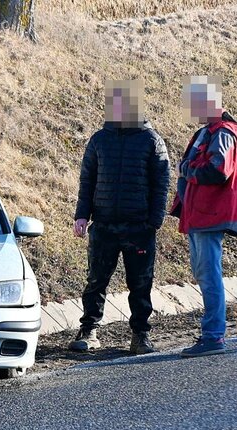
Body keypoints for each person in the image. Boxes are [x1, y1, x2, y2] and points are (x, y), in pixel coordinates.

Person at [70, 79, 170, 354]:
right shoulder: (99, 140)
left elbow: (161, 184)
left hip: (139, 227)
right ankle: (89, 330)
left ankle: (140, 335)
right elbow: (87, 180)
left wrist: (154, 222)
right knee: (96, 280)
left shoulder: (152, 141)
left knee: (140, 284)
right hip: (103, 225)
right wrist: (82, 215)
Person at [170, 75, 237, 358]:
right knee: (204, 273)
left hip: (209, 214)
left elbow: (218, 170)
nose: (191, 108)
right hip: (199, 214)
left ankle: (213, 336)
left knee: (209, 274)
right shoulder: (208, 131)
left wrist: (185, 170)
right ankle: (211, 334)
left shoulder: (223, 132)